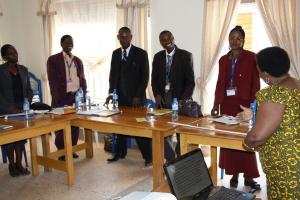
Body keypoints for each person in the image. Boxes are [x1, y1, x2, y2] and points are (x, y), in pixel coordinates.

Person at [237, 47, 300, 199]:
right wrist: (254, 114)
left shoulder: (274, 93)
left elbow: (257, 137)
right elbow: (288, 116)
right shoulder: (297, 85)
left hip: (286, 167)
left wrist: (247, 142)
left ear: (266, 74)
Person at [211, 26, 261, 189]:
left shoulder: (252, 58)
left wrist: (254, 106)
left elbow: (256, 83)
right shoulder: (223, 60)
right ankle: (233, 174)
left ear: (243, 40)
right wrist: (215, 104)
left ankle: (248, 176)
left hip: (244, 106)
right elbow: (220, 84)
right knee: (229, 140)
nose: (235, 41)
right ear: (229, 40)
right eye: (232, 38)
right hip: (227, 104)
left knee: (245, 141)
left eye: (238, 38)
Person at [106, 27, 152, 166]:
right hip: (120, 97)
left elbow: (144, 77)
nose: (124, 39)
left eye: (127, 37)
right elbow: (112, 76)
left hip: (136, 99)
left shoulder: (141, 53)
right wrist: (110, 93)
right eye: (122, 37)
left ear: (131, 37)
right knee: (119, 127)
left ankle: (148, 157)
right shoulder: (115, 54)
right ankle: (119, 153)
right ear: (118, 37)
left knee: (139, 128)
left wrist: (138, 95)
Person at [151, 30, 195, 161]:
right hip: (163, 100)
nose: (167, 41)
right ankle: (171, 159)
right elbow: (154, 79)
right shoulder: (158, 57)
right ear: (161, 43)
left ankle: (180, 155)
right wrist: (157, 95)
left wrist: (183, 100)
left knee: (181, 130)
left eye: (168, 38)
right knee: (163, 131)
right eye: (163, 40)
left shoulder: (185, 55)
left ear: (173, 38)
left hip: (179, 98)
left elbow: (190, 82)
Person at [47, 35, 87, 160]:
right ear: (61, 44)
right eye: (66, 42)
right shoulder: (53, 60)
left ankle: (72, 148)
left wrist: (84, 94)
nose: (69, 44)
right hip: (61, 97)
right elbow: (52, 80)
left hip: (75, 97)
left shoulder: (77, 60)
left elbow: (82, 78)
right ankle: (61, 150)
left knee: (75, 124)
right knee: (61, 125)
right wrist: (56, 97)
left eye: (71, 42)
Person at [0, 44, 32, 176]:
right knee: (10, 140)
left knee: (20, 139)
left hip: (22, 109)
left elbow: (29, 90)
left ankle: (19, 164)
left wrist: (27, 102)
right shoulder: (0, 71)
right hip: (6, 109)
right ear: (4, 57)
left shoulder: (23, 69)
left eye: (15, 52)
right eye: (11, 53)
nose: (15, 55)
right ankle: (12, 166)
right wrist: (11, 108)